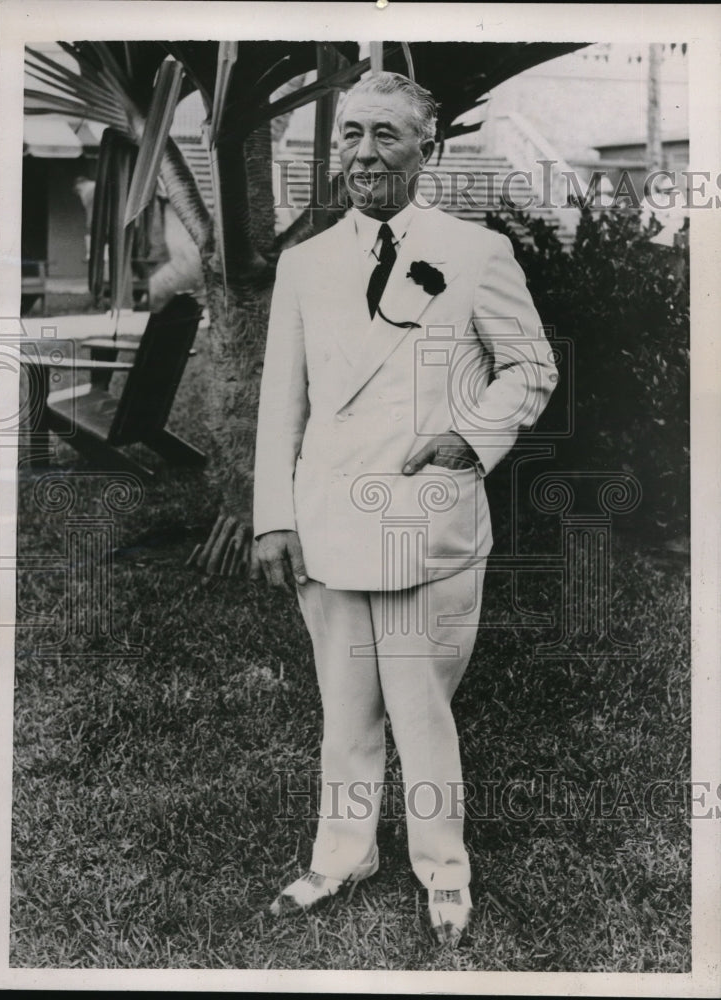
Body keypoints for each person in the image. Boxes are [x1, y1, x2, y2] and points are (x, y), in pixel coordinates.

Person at [252, 71, 557, 945]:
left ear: (430, 148)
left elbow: (530, 366)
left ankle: (444, 871)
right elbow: (283, 404)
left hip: (429, 519)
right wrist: (277, 514)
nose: (363, 154)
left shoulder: (476, 251)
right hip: (330, 520)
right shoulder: (304, 265)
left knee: (422, 710)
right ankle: (341, 854)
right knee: (343, 707)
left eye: (386, 134)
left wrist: (473, 436)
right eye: (350, 134)